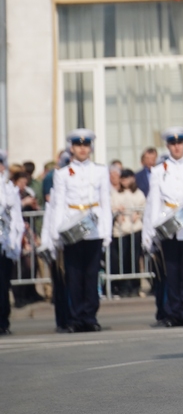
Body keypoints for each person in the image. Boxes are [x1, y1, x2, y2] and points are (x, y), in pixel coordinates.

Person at [42, 130, 113, 333]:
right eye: (78, 145)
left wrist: (106, 232)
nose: (82, 148)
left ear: (90, 147)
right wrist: (56, 233)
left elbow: (105, 203)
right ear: (72, 148)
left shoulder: (100, 171)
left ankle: (89, 317)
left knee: (91, 275)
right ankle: (75, 317)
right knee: (73, 276)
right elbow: (59, 204)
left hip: (94, 227)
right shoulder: (62, 174)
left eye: (86, 145)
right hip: (71, 227)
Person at [142, 127, 183, 327]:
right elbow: (154, 202)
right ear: (167, 146)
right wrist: (151, 232)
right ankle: (172, 312)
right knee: (171, 273)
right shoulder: (159, 170)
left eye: (180, 143)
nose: (177, 147)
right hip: (167, 225)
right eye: (173, 143)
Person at [110, 170, 145, 297]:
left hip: (134, 228)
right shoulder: (116, 194)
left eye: (126, 178)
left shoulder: (138, 193)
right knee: (122, 259)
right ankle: (123, 286)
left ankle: (135, 285)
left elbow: (142, 205)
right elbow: (112, 206)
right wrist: (117, 212)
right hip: (121, 230)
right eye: (122, 179)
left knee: (134, 258)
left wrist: (138, 213)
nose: (124, 181)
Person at [1, 148, 22, 334]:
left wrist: (15, 243)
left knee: (3, 284)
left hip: (4, 242)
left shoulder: (9, 189)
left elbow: (17, 218)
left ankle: (3, 321)